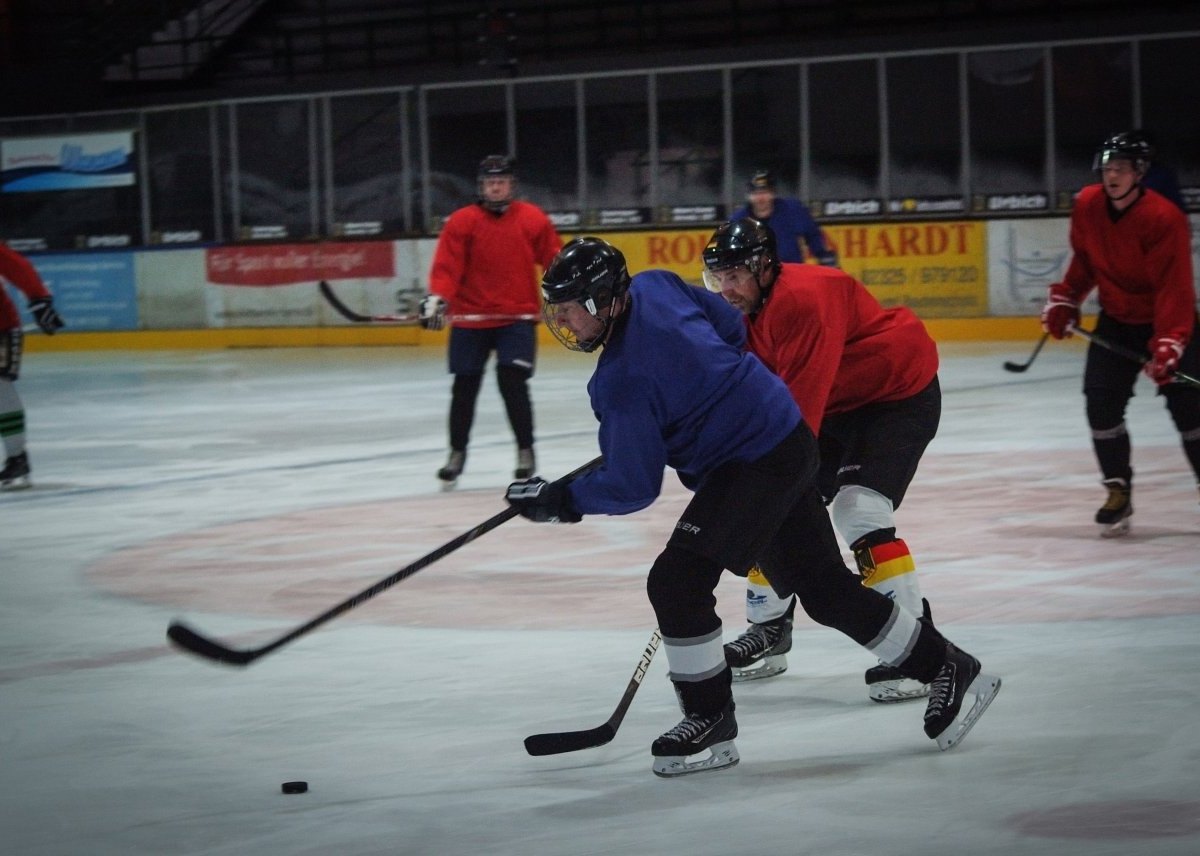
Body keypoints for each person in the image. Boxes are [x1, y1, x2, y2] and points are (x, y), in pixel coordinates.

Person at [505, 236, 999, 777]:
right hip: (784, 437)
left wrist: (559, 500)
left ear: (605, 301)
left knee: (676, 581)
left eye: (572, 311)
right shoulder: (656, 285)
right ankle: (949, 666)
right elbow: (731, 329)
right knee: (826, 592)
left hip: (753, 464)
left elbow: (632, 486)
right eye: (558, 311)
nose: (565, 324)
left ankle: (709, 720)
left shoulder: (621, 382)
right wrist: (707, 393)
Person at [702, 218, 939, 703]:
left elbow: (796, 424)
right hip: (839, 400)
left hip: (895, 396)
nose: (726, 289)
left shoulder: (803, 300)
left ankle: (917, 647)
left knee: (858, 510)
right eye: (717, 277)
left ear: (764, 267)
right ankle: (769, 629)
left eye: (735, 276)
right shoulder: (745, 309)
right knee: (773, 502)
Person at [1041, 131, 1199, 536]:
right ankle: (1118, 491)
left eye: (1121, 169)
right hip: (1116, 321)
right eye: (1108, 168)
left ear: (1139, 173)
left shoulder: (1164, 219)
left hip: (1166, 321)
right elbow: (1086, 262)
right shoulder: (1088, 205)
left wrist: (1169, 342)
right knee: (1101, 407)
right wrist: (1066, 298)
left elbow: (1174, 287)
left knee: (1190, 415)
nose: (1112, 176)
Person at [418, 155, 562, 486]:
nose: (495, 187)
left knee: (513, 384)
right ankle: (457, 454)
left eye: (501, 181)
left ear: (512, 185)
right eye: (489, 182)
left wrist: (568, 294)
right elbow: (447, 269)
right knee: (464, 388)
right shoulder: (462, 221)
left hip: (516, 318)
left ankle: (526, 452)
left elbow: (553, 259)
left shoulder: (532, 218)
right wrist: (438, 299)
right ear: (481, 186)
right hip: (471, 319)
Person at [1, 244, 65, 489]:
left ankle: (17, 457)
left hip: (2, 328)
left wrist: (40, 300)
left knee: (0, 386)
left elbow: (17, 266)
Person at [731, 170, 838, 267]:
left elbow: (814, 236)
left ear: (773, 193)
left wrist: (826, 259)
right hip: (756, 276)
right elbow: (730, 251)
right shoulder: (738, 219)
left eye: (765, 193)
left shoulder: (792, 209)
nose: (761, 198)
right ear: (748, 196)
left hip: (790, 272)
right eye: (756, 194)